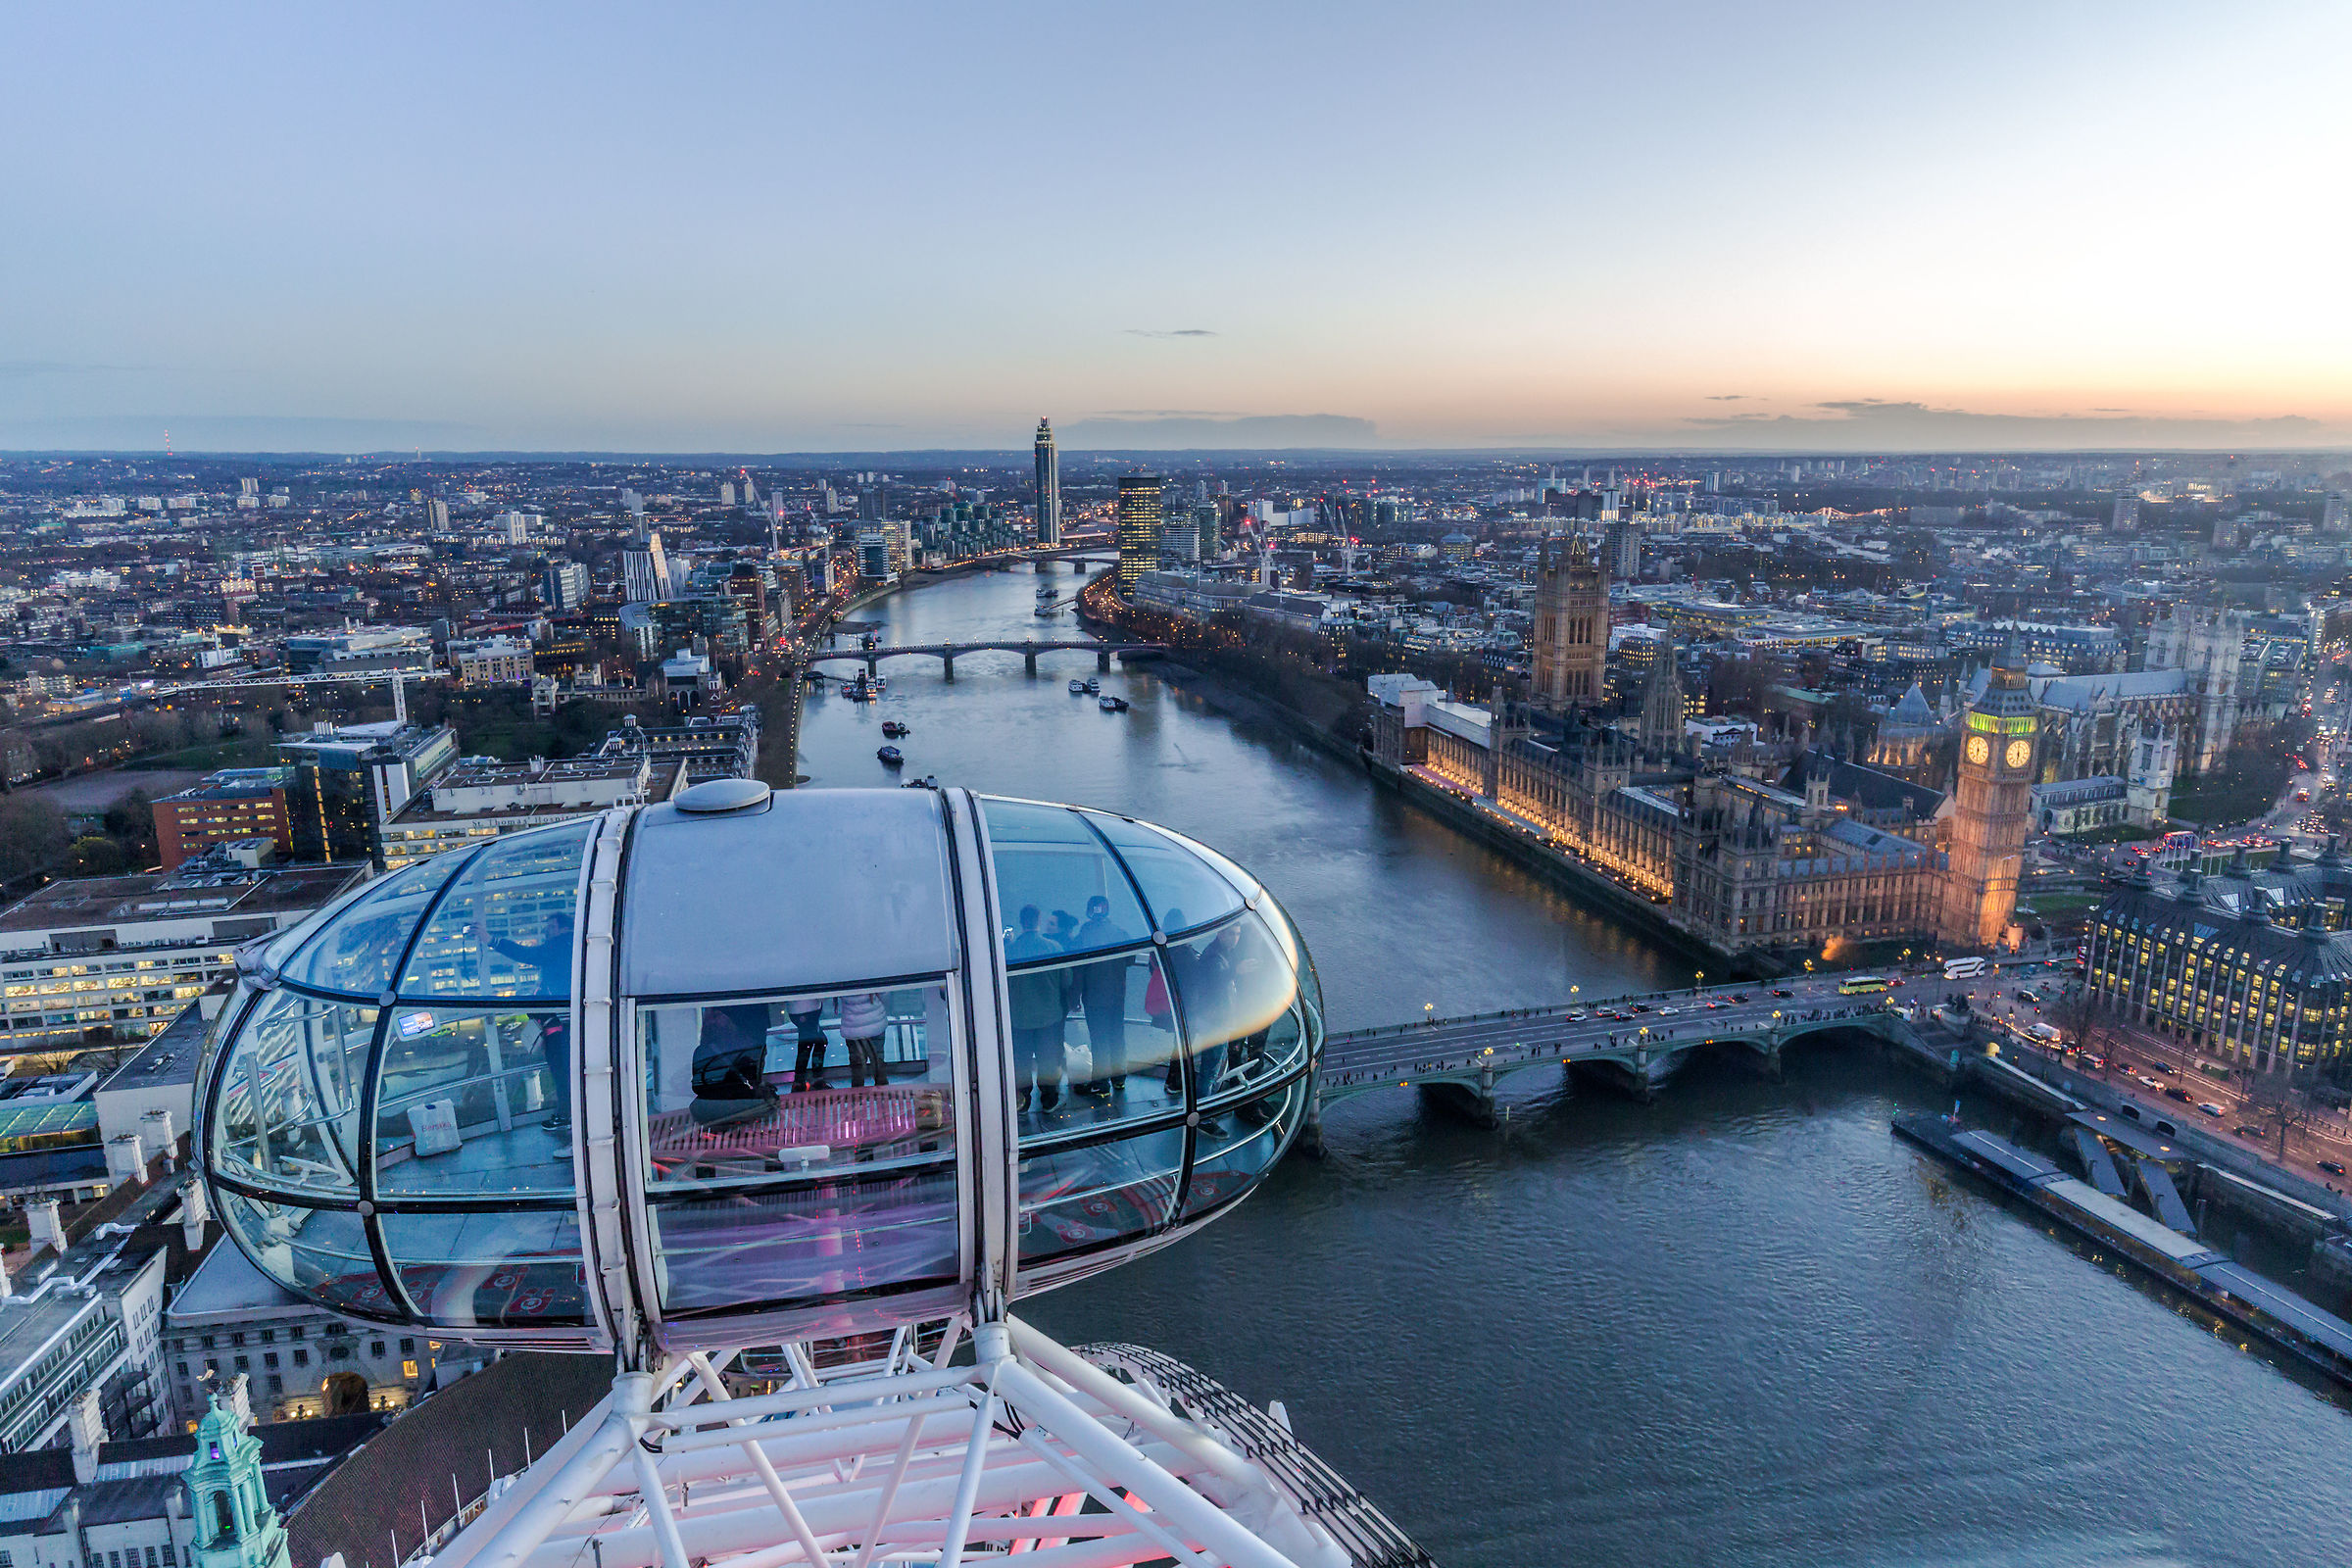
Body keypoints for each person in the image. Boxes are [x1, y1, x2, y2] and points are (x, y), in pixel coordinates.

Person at [474, 913, 575, 1134]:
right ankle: (570, 1115)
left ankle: (568, 1117)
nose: (546, 931)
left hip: (562, 1024)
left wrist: (490, 940)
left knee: (562, 1070)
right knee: (570, 1070)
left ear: (562, 928)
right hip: (573, 1019)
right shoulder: (577, 945)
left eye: (550, 926)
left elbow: (526, 954)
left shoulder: (559, 945)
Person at [1005, 905, 1072, 1113]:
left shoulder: (1010, 950)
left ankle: (1022, 1100)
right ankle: (1049, 1100)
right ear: (1039, 920)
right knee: (1048, 1059)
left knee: (1021, 1060)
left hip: (1019, 1017)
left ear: (1020, 921)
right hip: (1049, 1016)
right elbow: (1066, 981)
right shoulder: (1054, 948)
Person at [1073, 896, 1133, 1099]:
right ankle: (1119, 1079)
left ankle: (1101, 1083)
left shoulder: (1084, 934)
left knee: (1099, 1040)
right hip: (1117, 994)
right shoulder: (1121, 933)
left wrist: (1075, 998)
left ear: (1089, 910)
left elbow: (1078, 969)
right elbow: (1130, 959)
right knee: (1117, 1036)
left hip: (1094, 996)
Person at [690, 1004, 776, 1128]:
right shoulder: (753, 1048)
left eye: (716, 1015)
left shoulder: (703, 1052)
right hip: (745, 1113)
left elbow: (697, 1087)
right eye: (712, 1015)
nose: (710, 1020)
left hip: (714, 1118)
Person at [838, 991, 889, 1088]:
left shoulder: (840, 977)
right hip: (875, 1022)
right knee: (878, 1059)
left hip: (852, 1025)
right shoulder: (870, 975)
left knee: (857, 1064)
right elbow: (884, 994)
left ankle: (857, 1094)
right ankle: (882, 1091)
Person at [786, 998, 830, 1092]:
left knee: (809, 1043)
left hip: (799, 1009)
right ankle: (813, 1079)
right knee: (814, 1043)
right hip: (809, 1009)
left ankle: (800, 1081)